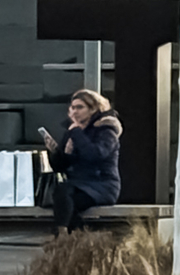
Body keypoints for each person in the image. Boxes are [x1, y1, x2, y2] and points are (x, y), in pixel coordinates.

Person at [38, 89, 123, 230]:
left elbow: (95, 155)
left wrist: (76, 132)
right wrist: (56, 152)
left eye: (80, 107)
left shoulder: (106, 131)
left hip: (102, 184)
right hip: (78, 185)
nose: (75, 111)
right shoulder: (72, 132)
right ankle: (74, 235)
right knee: (63, 201)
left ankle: (64, 236)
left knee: (65, 198)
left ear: (92, 109)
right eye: (72, 107)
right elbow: (60, 167)